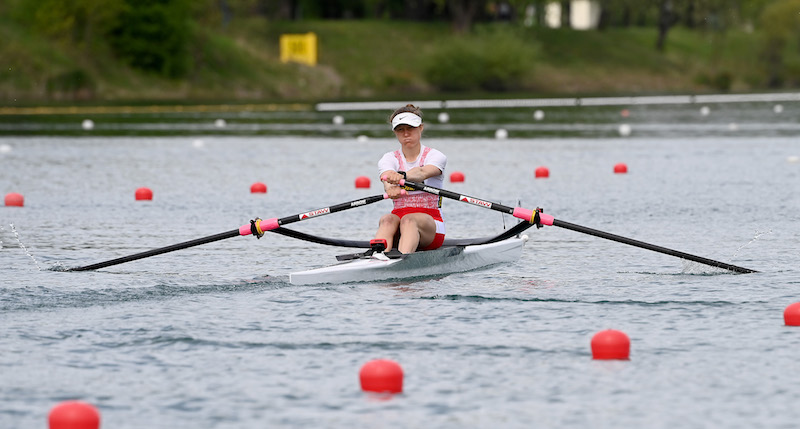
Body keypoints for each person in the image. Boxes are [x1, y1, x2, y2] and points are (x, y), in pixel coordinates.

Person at [374, 104, 447, 254]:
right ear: (395, 132)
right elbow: (386, 177)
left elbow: (422, 172)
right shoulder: (389, 158)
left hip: (431, 225)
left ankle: (402, 262)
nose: (406, 134)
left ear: (421, 128)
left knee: (409, 220)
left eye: (411, 128)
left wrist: (402, 176)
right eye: (401, 130)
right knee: (387, 219)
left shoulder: (435, 156)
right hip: (398, 221)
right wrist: (390, 188)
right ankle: (377, 258)